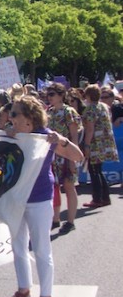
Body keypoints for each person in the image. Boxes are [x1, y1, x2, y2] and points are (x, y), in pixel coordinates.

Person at [2, 96, 83, 297]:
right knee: (18, 248)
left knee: (41, 249)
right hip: (16, 199)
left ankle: (46, 296)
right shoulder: (11, 135)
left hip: (39, 198)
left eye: (15, 114)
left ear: (29, 117)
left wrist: (62, 141)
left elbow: (78, 156)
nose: (11, 117)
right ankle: (23, 290)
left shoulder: (46, 137)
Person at [46, 83, 83, 234]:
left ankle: (71, 220)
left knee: (69, 187)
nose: (49, 97)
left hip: (66, 154)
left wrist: (73, 159)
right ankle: (56, 218)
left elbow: (74, 136)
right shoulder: (49, 112)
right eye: (48, 94)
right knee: (54, 187)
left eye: (52, 94)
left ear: (61, 95)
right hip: (53, 155)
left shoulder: (69, 111)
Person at [82, 84, 118, 207]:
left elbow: (90, 129)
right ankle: (105, 197)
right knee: (98, 170)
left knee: (94, 171)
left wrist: (86, 145)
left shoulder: (91, 109)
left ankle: (97, 198)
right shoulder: (104, 107)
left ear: (88, 96)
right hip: (105, 143)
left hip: (95, 143)